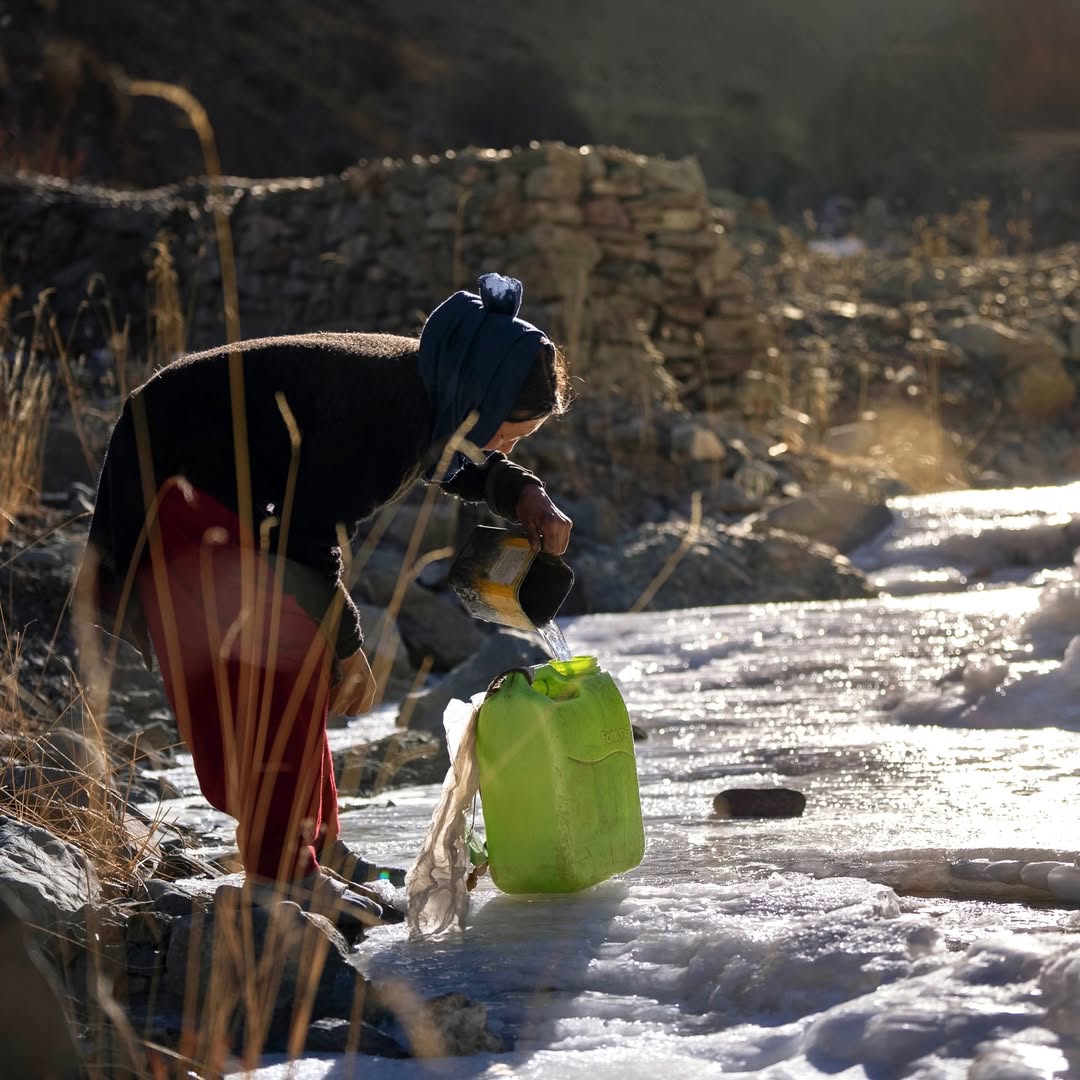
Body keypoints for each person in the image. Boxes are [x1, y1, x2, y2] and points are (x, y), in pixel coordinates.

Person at [75, 272, 573, 932]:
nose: (508, 446)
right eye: (512, 432)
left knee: (307, 652)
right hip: (180, 488)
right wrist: (349, 645)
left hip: (240, 495)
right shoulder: (384, 418)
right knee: (288, 653)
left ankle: (316, 846)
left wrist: (523, 493)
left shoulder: (433, 381)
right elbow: (299, 543)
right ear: (479, 400)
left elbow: (459, 452)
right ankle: (284, 874)